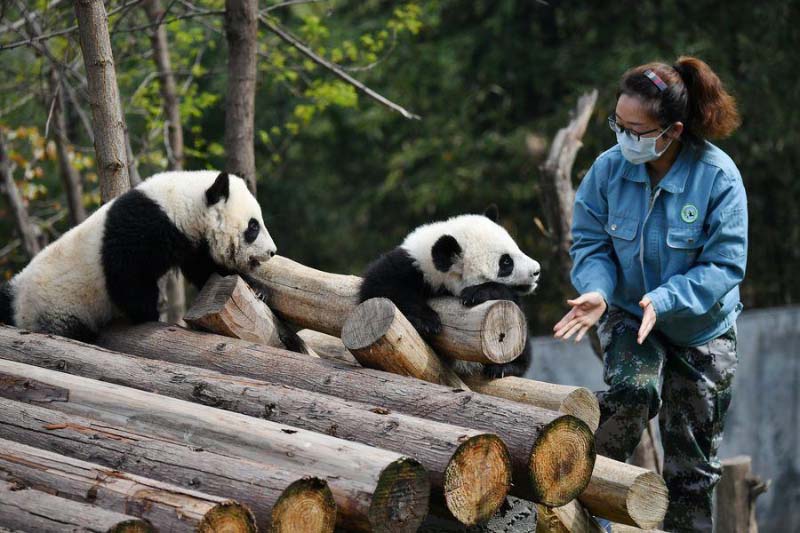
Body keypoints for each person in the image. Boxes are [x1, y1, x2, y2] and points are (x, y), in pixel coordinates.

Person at [552, 56, 747, 533]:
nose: (623, 137)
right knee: (632, 392)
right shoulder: (607, 170)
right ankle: (581, 506)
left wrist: (665, 299)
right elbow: (590, 244)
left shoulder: (718, 177)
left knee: (692, 470)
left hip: (701, 328)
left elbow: (725, 265)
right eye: (617, 124)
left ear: (672, 131)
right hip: (629, 315)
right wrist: (597, 290)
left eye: (635, 130)